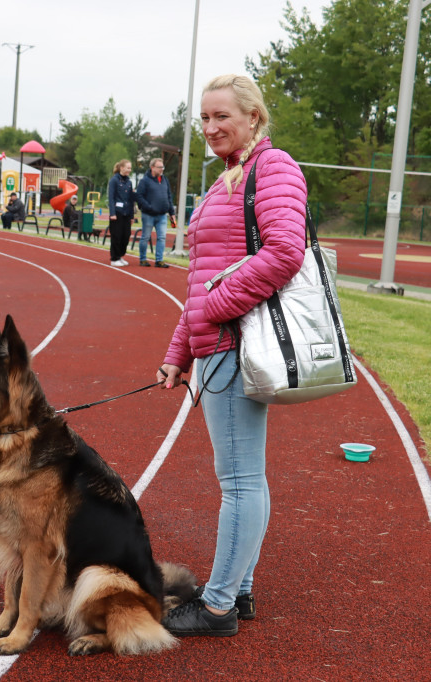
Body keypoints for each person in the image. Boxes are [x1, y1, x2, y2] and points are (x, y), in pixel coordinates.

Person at [157, 74, 307, 638]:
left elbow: (286, 251)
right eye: (204, 118)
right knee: (246, 478)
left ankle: (217, 606)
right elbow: (202, 278)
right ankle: (237, 590)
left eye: (222, 116)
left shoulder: (273, 168)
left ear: (253, 119)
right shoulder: (228, 178)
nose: (211, 127)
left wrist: (217, 312)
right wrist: (180, 350)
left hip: (239, 345)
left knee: (239, 481)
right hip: (217, 344)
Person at [135, 157, 175, 268]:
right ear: (152, 167)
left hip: (162, 215)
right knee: (145, 237)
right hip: (148, 215)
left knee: (162, 237)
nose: (162, 169)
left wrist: (172, 213)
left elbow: (169, 196)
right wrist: (148, 207)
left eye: (163, 167)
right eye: (159, 167)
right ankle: (143, 259)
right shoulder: (144, 181)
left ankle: (159, 260)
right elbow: (139, 196)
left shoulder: (164, 180)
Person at [107, 159, 135, 266]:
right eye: (128, 168)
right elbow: (111, 198)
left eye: (130, 168)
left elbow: (131, 199)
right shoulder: (114, 180)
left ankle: (120, 255)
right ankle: (114, 258)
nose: (130, 170)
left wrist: (132, 216)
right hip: (117, 213)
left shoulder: (129, 182)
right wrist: (112, 213)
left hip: (127, 213)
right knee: (116, 236)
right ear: (122, 168)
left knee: (126, 236)